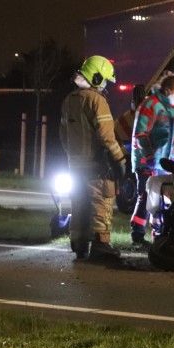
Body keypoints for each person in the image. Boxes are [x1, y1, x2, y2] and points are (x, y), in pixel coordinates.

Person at [59, 55, 129, 260]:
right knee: (102, 200)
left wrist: (73, 155)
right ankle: (101, 243)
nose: (105, 85)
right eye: (105, 80)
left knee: (78, 202)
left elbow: (63, 135)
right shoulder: (97, 100)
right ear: (96, 77)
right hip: (95, 163)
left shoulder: (69, 100)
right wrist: (121, 160)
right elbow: (107, 137)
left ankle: (79, 244)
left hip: (74, 162)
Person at [130, 71, 174, 245]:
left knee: (161, 198)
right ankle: (137, 234)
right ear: (168, 91)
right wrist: (150, 156)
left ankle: (158, 234)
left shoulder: (169, 110)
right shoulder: (151, 105)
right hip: (147, 161)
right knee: (146, 196)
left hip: (161, 162)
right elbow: (141, 133)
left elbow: (172, 139)